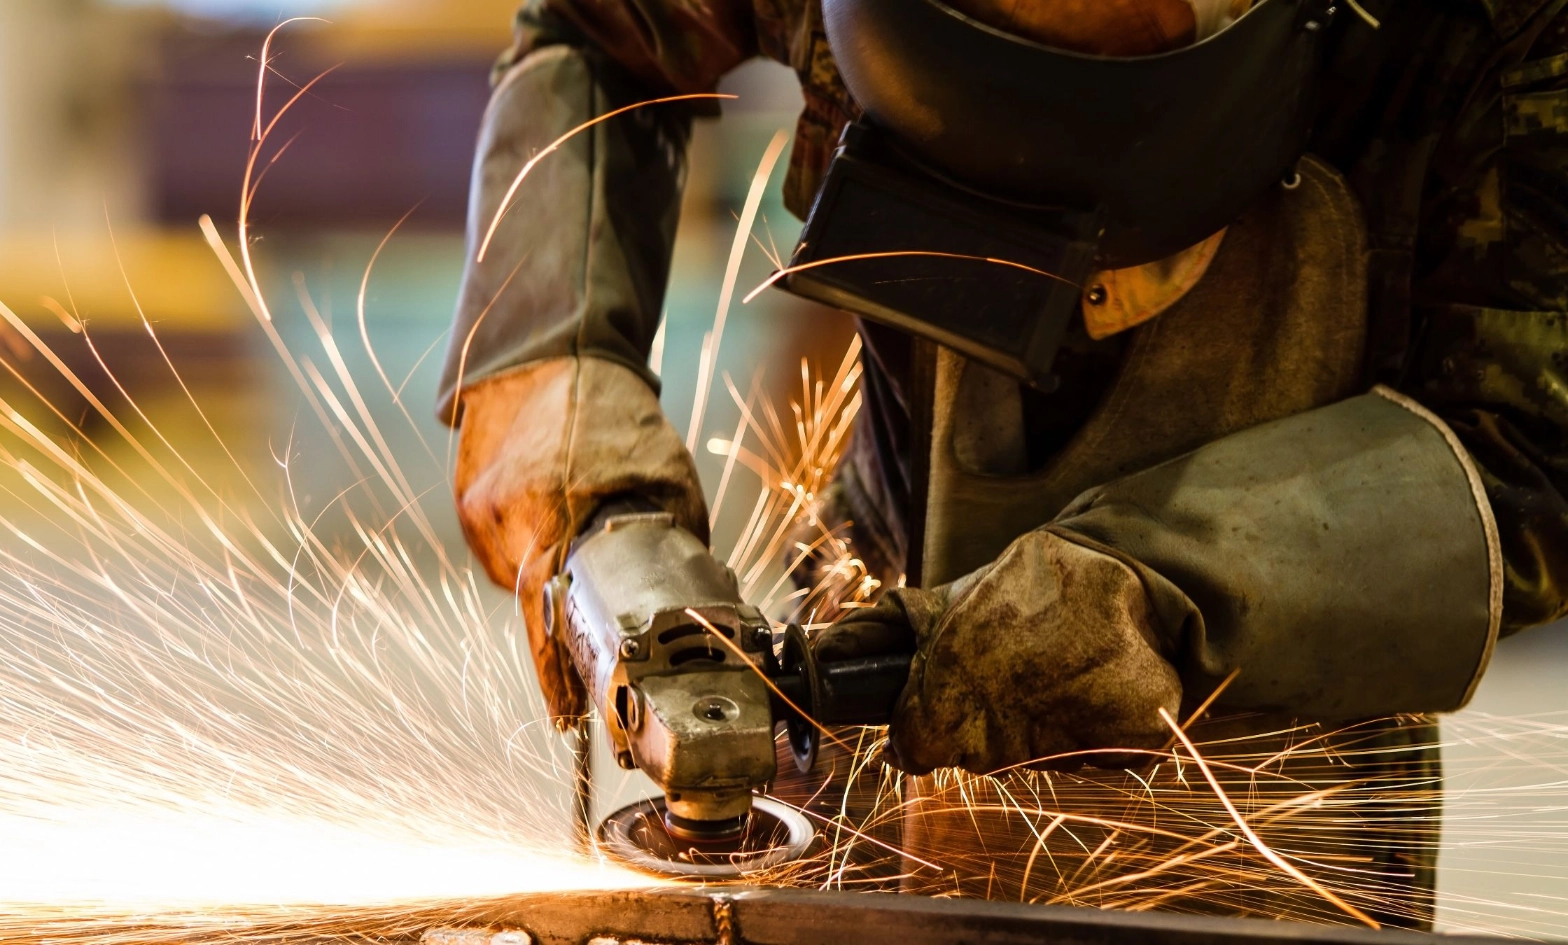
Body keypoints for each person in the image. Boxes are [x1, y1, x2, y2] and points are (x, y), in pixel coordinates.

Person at [440, 0, 1568, 922]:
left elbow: (1540, 456)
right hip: (865, 665)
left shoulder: (1506, 34)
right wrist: (552, 352)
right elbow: (597, 29)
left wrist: (1154, 590)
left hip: (1262, 799)